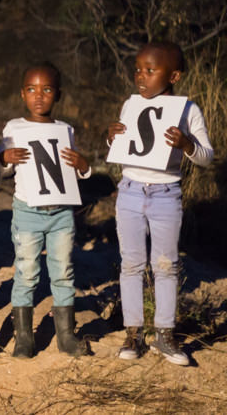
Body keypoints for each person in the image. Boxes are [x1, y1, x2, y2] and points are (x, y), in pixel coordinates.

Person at [106, 42, 213, 366]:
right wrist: (110, 135)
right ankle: (133, 333)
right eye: (138, 69)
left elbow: (206, 157)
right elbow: (124, 144)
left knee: (166, 266)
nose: (141, 76)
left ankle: (164, 335)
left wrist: (187, 143)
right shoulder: (131, 103)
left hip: (167, 193)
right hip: (130, 191)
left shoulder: (188, 110)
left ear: (174, 75)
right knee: (132, 264)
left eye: (150, 71)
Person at [0, 63, 90, 358]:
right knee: (26, 272)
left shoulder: (66, 129)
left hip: (61, 212)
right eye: (32, 89)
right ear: (23, 93)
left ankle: (65, 335)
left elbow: (71, 173)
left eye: (47, 89)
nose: (39, 96)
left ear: (58, 95)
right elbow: (3, 167)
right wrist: (5, 156)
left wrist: (83, 165)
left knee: (63, 271)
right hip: (28, 211)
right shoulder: (14, 127)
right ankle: (24, 336)